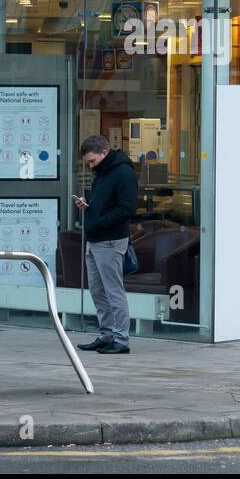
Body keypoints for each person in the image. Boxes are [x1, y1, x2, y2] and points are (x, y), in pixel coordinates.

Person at [73, 135, 138, 355]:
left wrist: (100, 221)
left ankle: (121, 339)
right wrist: (88, 206)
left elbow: (127, 208)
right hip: (95, 239)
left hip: (110, 239)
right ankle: (107, 334)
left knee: (113, 290)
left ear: (104, 152)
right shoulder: (102, 173)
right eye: (88, 162)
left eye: (92, 161)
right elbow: (104, 203)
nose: (90, 166)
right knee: (97, 290)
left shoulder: (124, 173)